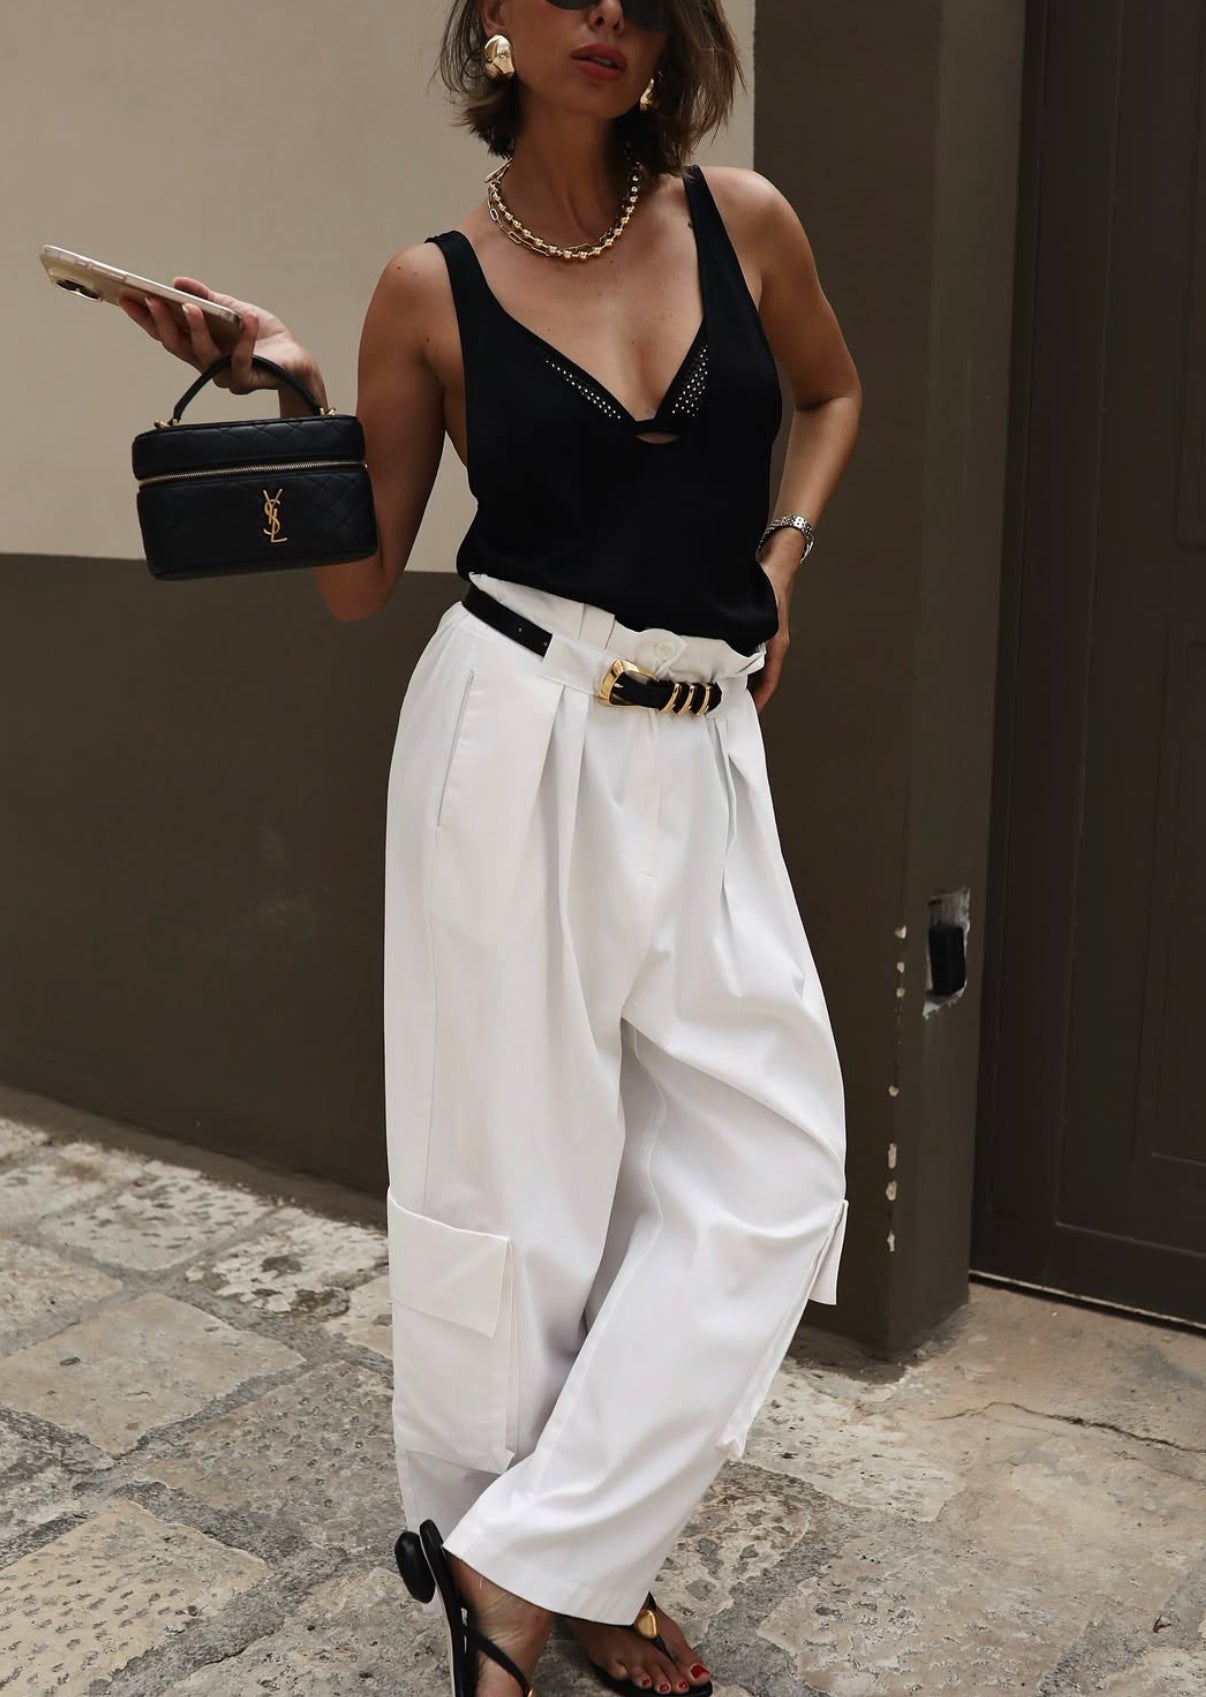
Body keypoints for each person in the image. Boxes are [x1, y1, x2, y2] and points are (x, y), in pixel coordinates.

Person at [120, 3, 861, 1693]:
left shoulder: (746, 223)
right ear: (496, 29)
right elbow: (357, 582)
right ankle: (559, 1587)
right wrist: (298, 396)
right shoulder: (427, 287)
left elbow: (828, 392)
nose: (605, 14)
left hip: (702, 742)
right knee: (514, 1198)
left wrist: (781, 559)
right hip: (513, 725)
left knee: (771, 1174)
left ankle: (518, 1556)